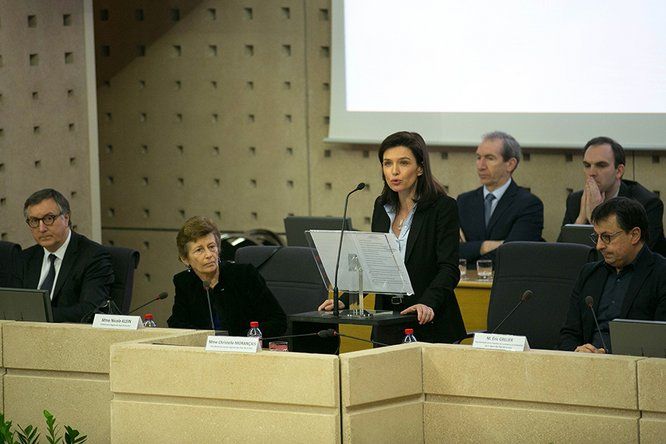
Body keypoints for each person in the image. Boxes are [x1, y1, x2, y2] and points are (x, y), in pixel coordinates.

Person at [319, 131, 466, 344]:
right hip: (388, 321)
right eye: (387, 164)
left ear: (420, 168)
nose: (394, 171)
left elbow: (449, 269)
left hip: (429, 321)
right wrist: (344, 301)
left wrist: (427, 304)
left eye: (403, 163)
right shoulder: (382, 206)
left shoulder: (443, 207)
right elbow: (375, 266)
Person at [559, 197, 666, 353]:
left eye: (607, 237)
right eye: (597, 237)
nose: (599, 246)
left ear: (634, 235)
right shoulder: (589, 274)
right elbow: (568, 334)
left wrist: (609, 357)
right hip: (585, 367)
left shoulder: (661, 274)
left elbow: (660, 344)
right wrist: (577, 351)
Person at [167, 216, 287, 340]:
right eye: (199, 250)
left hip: (246, 351)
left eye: (212, 247)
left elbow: (278, 321)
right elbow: (177, 324)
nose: (209, 255)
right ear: (185, 259)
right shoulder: (184, 282)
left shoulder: (244, 275)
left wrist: (241, 339)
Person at [21, 188, 114, 323]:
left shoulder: (93, 257)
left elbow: (91, 310)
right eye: (34, 221)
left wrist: (37, 316)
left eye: (48, 218)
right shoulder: (25, 258)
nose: (41, 228)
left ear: (66, 217)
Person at [562, 136, 666, 255]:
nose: (591, 173)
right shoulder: (575, 200)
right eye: (587, 165)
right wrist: (580, 219)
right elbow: (563, 255)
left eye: (601, 165)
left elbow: (633, 256)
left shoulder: (646, 203)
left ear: (619, 171)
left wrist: (595, 217)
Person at [457, 131, 544, 264]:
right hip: (467, 282)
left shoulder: (529, 204)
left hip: (509, 281)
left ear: (510, 164)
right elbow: (451, 251)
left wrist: (471, 249)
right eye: (478, 157)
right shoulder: (463, 201)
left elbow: (515, 253)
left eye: (489, 158)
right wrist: (486, 246)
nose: (481, 166)